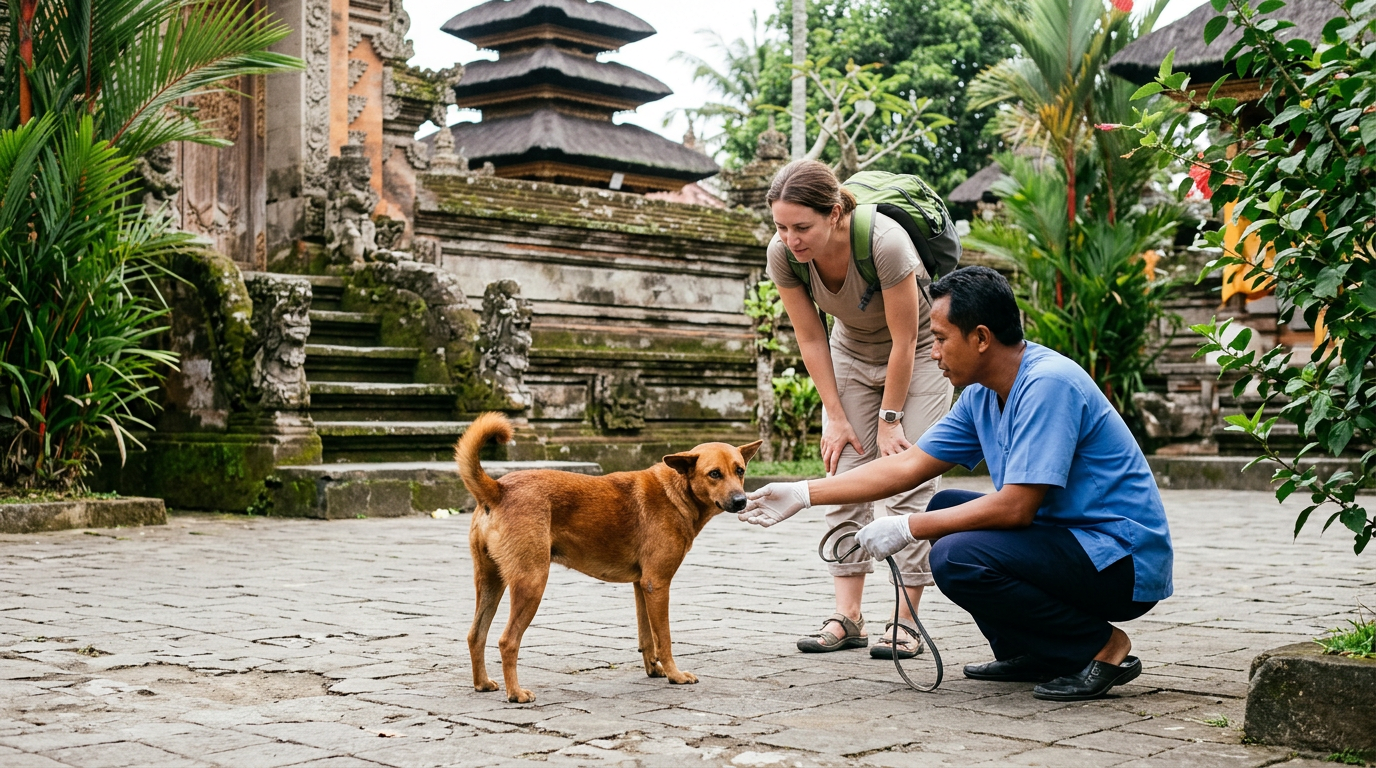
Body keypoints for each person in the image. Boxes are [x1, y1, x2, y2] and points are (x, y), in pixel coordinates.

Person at [741, 266, 1173, 701]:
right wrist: (802, 492)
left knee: (957, 552)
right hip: (1073, 543)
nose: (933, 353)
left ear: (981, 338)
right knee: (943, 505)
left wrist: (906, 528)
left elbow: (1015, 508)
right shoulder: (984, 393)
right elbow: (907, 466)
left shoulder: (1048, 385)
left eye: (942, 339)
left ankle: (1101, 647)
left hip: (1121, 561)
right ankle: (1036, 651)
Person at [763, 160, 953, 660]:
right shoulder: (784, 255)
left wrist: (890, 420)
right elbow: (810, 336)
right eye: (781, 227)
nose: (791, 239)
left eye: (801, 227)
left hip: (920, 353)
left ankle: (906, 620)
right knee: (843, 470)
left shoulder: (885, 243)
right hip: (849, 352)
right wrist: (836, 415)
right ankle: (848, 616)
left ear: (835, 213)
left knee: (907, 477)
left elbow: (907, 337)